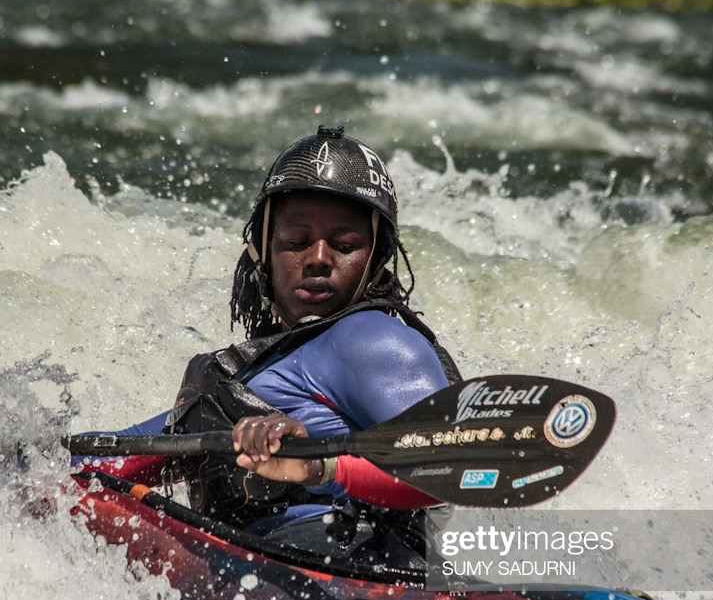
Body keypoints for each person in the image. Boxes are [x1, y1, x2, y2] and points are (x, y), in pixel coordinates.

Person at [75, 126, 460, 565]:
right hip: (257, 571)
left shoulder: (373, 338)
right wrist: (16, 458)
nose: (318, 257)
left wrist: (320, 467)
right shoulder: (257, 372)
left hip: (357, 571)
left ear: (375, 258)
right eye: (296, 241)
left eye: (346, 244)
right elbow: (118, 456)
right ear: (263, 250)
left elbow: (448, 465)